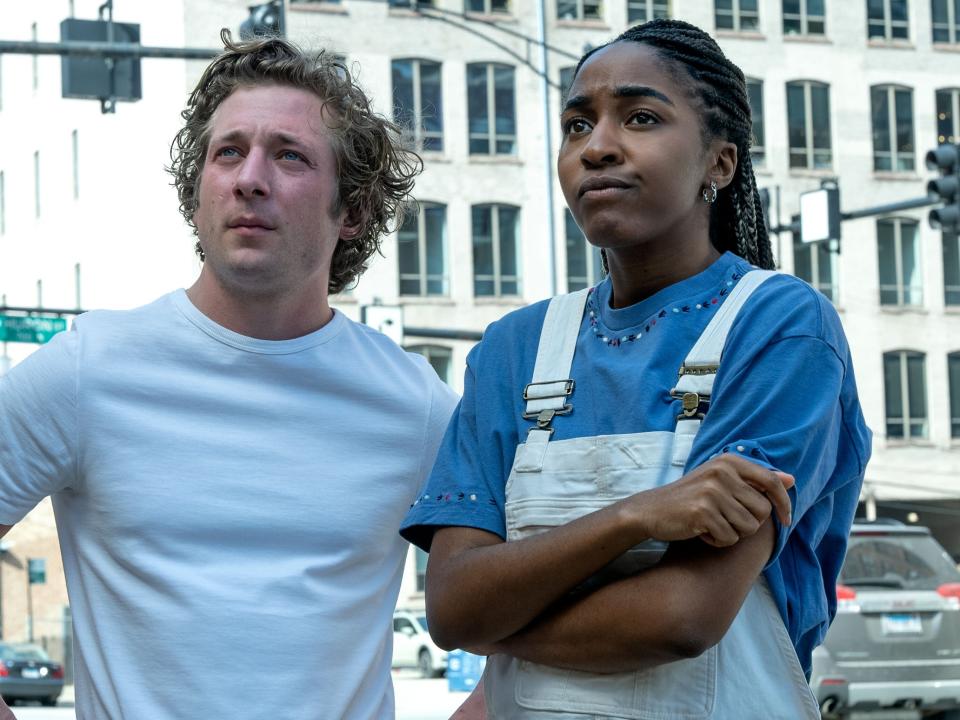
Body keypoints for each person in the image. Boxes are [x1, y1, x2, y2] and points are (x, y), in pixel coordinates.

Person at [401, 18, 871, 720]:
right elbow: (453, 607)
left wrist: (500, 621)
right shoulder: (514, 348)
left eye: (641, 117)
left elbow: (680, 617)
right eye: (576, 125)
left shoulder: (782, 327)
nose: (597, 147)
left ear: (720, 163)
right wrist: (634, 518)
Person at [0, 33, 457, 719]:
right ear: (196, 196)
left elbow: (528, 585)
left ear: (354, 211)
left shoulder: (416, 404)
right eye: (228, 152)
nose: (250, 177)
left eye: (291, 156)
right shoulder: (89, 368)